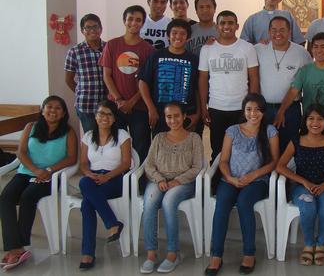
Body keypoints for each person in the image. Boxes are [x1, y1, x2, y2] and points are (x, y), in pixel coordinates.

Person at [205, 94, 279, 276]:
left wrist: (254, 175)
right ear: (243, 111)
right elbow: (223, 160)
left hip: (257, 181)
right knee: (222, 204)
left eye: (257, 110)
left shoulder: (270, 131)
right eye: (249, 109)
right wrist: (230, 179)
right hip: (231, 179)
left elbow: (275, 162)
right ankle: (216, 255)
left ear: (263, 112)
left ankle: (249, 253)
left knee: (245, 202)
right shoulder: (232, 130)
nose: (253, 114)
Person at [0, 96, 77, 271]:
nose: (53, 111)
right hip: (27, 172)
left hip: (51, 176)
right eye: (49, 107)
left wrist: (48, 171)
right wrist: (35, 170)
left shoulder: (69, 132)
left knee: (28, 196)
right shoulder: (31, 127)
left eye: (58, 108)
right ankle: (16, 247)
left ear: (63, 113)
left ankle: (18, 247)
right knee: (6, 197)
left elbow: (72, 158)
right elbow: (21, 152)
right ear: (42, 110)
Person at [276, 103, 324, 266]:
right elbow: (279, 166)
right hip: (302, 188)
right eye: (311, 118)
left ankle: (320, 244)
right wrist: (302, 181)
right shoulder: (296, 141)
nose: (315, 123)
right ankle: (309, 244)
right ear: (305, 122)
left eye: (320, 119)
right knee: (308, 207)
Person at [139, 102, 203, 274]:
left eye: (176, 116)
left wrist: (178, 180)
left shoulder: (194, 138)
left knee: (168, 202)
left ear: (184, 117)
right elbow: (149, 165)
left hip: (184, 183)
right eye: (169, 116)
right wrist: (159, 179)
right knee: (150, 203)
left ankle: (173, 254)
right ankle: (151, 254)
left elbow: (197, 167)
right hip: (159, 180)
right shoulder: (159, 138)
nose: (173, 120)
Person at [198, 10, 259, 163]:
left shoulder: (247, 47)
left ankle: (240, 182)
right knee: (218, 149)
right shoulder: (207, 49)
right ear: (217, 27)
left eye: (230, 23)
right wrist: (203, 106)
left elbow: (254, 77)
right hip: (216, 107)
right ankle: (218, 182)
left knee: (242, 149)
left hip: (241, 107)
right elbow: (203, 79)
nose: (227, 26)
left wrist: (252, 106)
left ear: (237, 26)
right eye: (223, 23)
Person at [274, 32, 324, 150]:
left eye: (323, 47)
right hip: (310, 123)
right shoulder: (305, 71)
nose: (319, 50)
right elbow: (293, 91)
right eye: (315, 46)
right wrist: (281, 111)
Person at [77, 100, 131, 270]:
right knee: (84, 185)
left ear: (114, 118)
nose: (104, 117)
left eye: (109, 114)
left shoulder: (122, 135)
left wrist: (107, 176)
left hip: (115, 178)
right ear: (95, 116)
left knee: (87, 201)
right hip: (93, 178)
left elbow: (126, 163)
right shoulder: (88, 136)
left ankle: (88, 253)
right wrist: (89, 173)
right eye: (101, 113)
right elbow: (83, 163)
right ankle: (112, 224)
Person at [99, 5, 154, 165]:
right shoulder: (112, 45)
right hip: (115, 107)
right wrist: (119, 100)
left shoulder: (148, 49)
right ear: (124, 21)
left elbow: (147, 81)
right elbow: (107, 75)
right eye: (130, 19)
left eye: (138, 20)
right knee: (116, 145)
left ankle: (141, 182)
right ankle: (118, 178)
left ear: (143, 23)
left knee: (141, 145)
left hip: (139, 107)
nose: (134, 23)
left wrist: (132, 101)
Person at [256, 16, 312, 152]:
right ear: (269, 32)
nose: (277, 34)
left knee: (289, 147)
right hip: (264, 108)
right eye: (274, 30)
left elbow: (312, 77)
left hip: (290, 110)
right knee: (265, 147)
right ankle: (269, 174)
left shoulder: (301, 53)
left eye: (282, 30)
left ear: (289, 32)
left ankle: (286, 173)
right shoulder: (258, 49)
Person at [138, 19, 200, 136]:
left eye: (182, 33)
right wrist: (151, 108)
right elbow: (143, 82)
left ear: (188, 37)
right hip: (160, 114)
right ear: (168, 36)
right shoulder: (156, 56)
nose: (178, 36)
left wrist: (198, 113)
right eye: (174, 33)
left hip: (186, 115)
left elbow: (197, 88)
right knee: (161, 150)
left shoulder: (194, 59)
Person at [64, 13, 108, 132]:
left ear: (101, 29)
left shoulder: (109, 48)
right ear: (82, 31)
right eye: (88, 27)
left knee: (108, 138)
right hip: (86, 104)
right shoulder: (74, 52)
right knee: (91, 140)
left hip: (107, 104)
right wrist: (82, 91)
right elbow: (68, 80)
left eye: (95, 26)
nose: (92, 30)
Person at [185, 0, 218, 138]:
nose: (205, 10)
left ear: (214, 9)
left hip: (216, 82)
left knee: (217, 126)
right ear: (196, 10)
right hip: (193, 83)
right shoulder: (189, 30)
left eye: (208, 7)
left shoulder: (221, 30)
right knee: (194, 127)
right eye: (201, 7)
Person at [240, 0, 305, 45]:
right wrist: (257, 45)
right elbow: (244, 44)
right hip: (261, 54)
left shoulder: (287, 16)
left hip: (286, 54)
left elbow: (299, 41)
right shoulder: (252, 19)